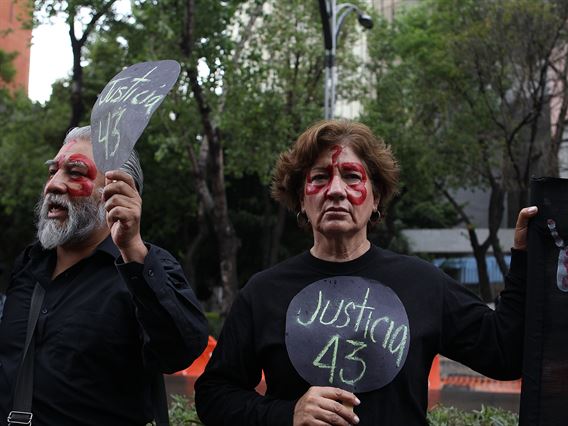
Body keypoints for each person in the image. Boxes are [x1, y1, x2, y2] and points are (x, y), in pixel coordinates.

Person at [194, 119, 537, 426]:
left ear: (376, 198)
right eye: (319, 178)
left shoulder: (422, 284)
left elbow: (505, 356)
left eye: (352, 176)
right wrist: (287, 414)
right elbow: (214, 395)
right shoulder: (264, 292)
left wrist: (523, 258)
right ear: (301, 199)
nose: (336, 190)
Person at [0, 126, 209, 425]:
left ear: (117, 192)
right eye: (53, 170)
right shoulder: (28, 265)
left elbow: (179, 351)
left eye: (75, 172)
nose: (53, 185)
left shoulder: (145, 266)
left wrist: (133, 249)